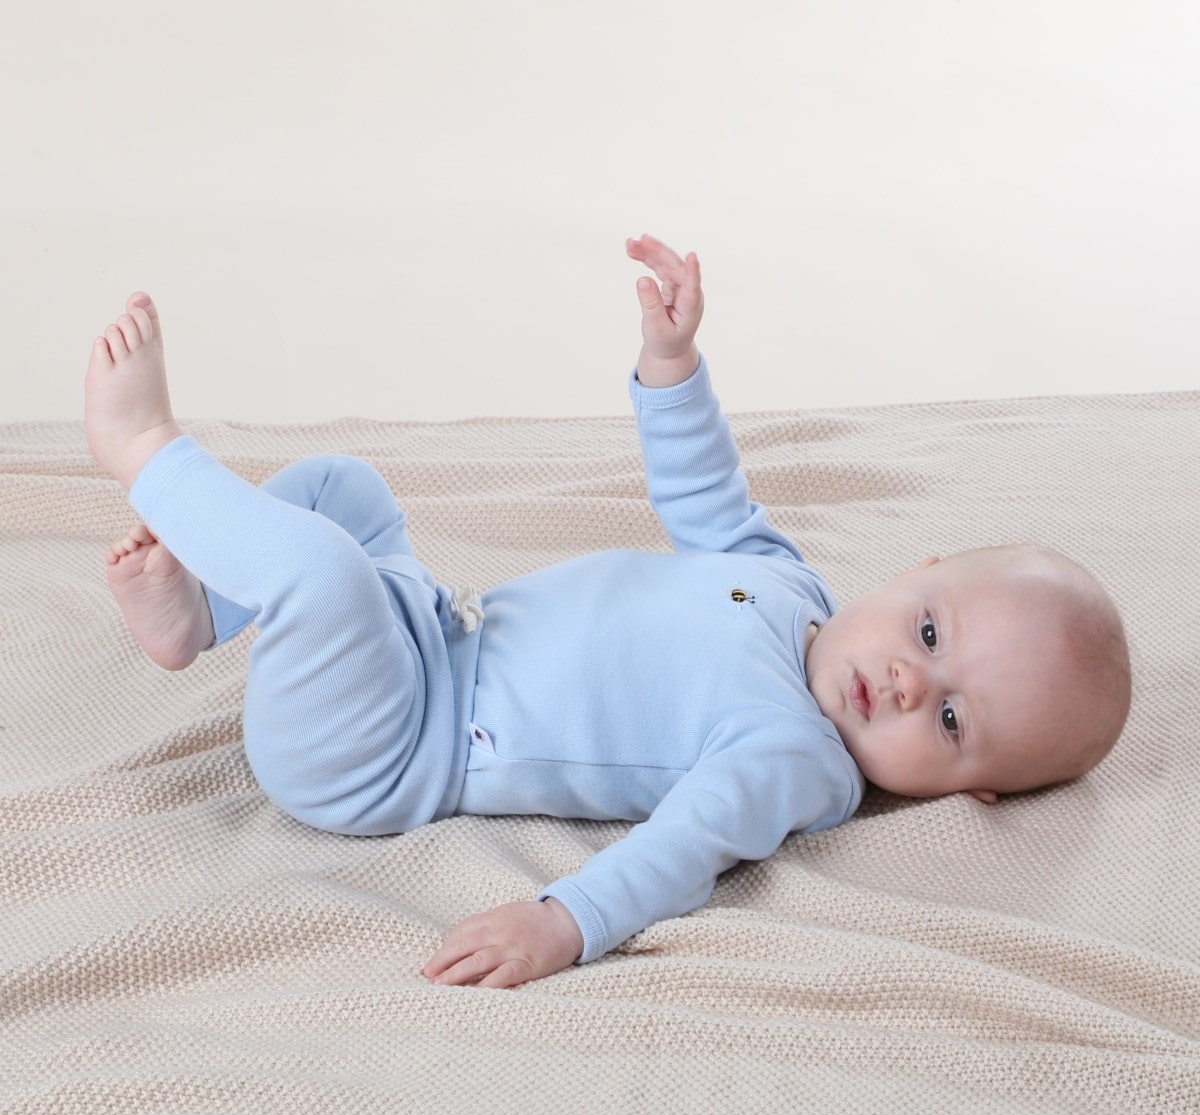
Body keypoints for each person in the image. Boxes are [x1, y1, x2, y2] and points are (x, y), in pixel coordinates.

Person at [83, 235, 1131, 989]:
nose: (907, 682)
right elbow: (706, 496)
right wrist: (672, 366)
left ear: (972, 792)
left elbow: (685, 844)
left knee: (324, 574)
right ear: (915, 571)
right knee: (343, 489)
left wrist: (564, 921)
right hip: (436, 633)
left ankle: (144, 451)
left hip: (388, 749)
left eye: (949, 719)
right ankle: (198, 616)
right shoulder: (790, 585)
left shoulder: (797, 759)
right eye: (930, 634)